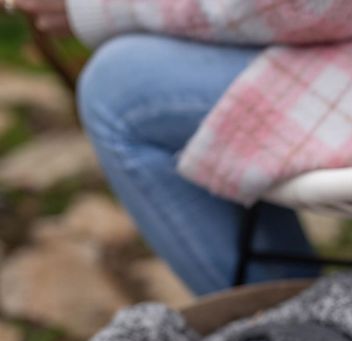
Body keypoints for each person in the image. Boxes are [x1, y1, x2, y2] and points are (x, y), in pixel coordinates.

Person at [12, 0, 321, 295]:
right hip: (338, 47)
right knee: (141, 75)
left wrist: (99, 8)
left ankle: (283, 324)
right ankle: (297, 313)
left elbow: (302, 9)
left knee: (117, 93)